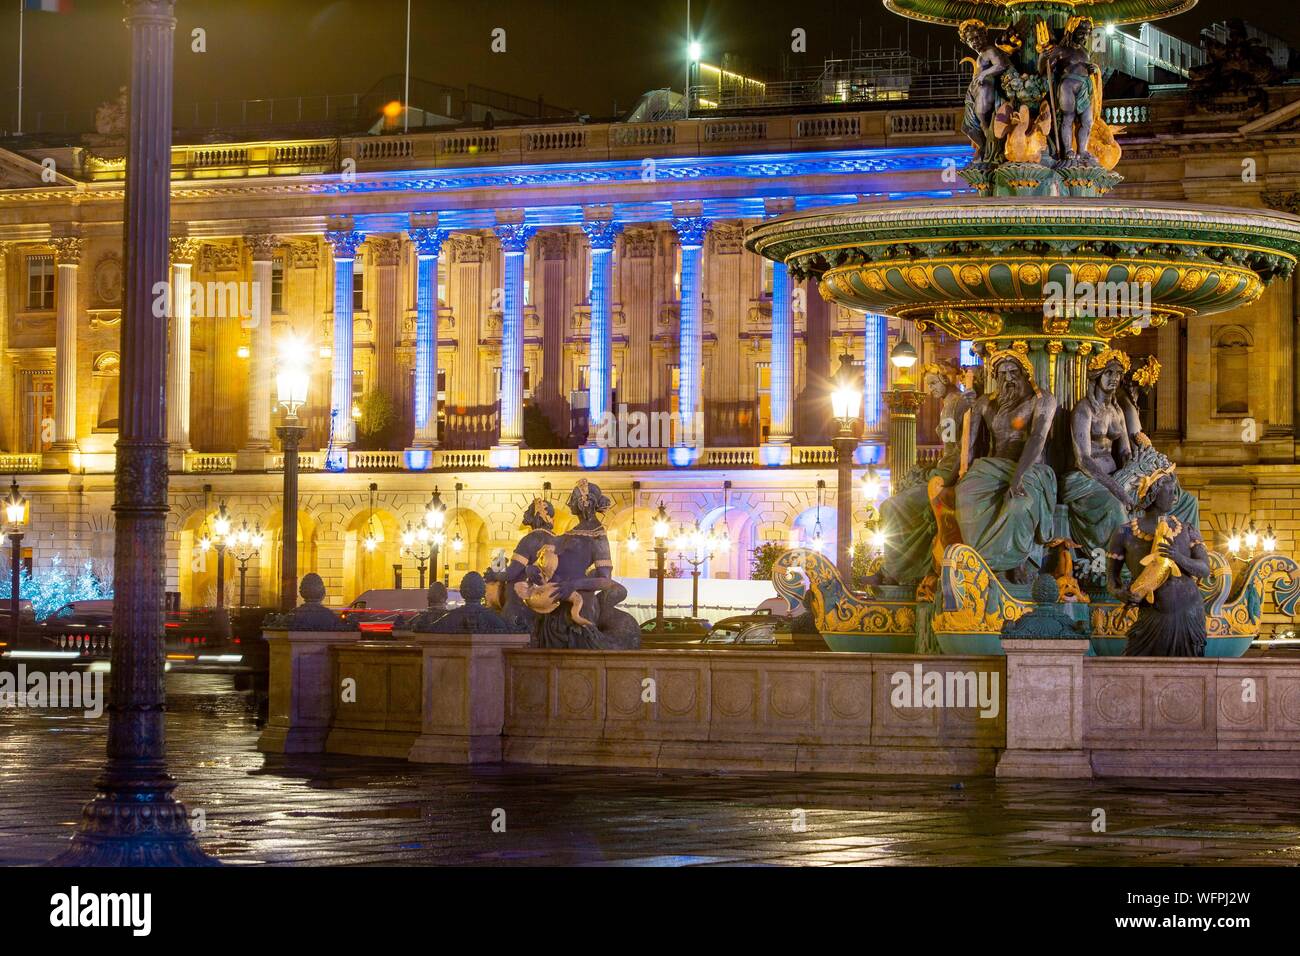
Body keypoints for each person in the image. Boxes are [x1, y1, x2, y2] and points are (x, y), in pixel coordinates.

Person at [955, 347, 1058, 583]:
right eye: (1002, 374)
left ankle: (1017, 560)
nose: (1008, 378)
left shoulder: (1042, 400)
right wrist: (964, 406)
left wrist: (1017, 477)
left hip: (1030, 469)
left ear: (1025, 373)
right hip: (992, 467)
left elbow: (1037, 438)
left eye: (1013, 372)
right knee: (964, 494)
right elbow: (966, 442)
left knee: (1018, 505)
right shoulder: (985, 403)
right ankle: (980, 560)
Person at [515, 480, 640, 649]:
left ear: (584, 503)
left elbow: (605, 580)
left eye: (573, 499)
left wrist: (574, 584)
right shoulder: (570, 532)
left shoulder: (598, 536)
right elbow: (550, 561)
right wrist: (533, 569)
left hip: (579, 605)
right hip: (554, 600)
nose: (570, 503)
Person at [879, 360, 972, 584]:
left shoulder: (954, 404)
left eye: (933, 383)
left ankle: (895, 571)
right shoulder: (952, 403)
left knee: (891, 506)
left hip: (947, 477)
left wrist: (934, 475)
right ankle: (898, 568)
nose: (930, 389)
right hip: (943, 471)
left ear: (945, 379)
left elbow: (955, 451)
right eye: (928, 384)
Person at [1106, 465, 1210, 657]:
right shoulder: (1124, 533)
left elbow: (1204, 569)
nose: (1174, 497)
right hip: (1152, 614)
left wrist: (1177, 557)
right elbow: (1112, 581)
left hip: (1189, 612)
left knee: (1189, 674)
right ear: (1153, 494)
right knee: (1139, 669)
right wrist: (1122, 594)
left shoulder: (1187, 530)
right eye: (1170, 491)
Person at [1063, 349, 1133, 560]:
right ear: (1097, 375)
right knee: (1115, 506)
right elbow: (1083, 459)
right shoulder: (1084, 410)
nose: (1114, 378)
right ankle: (1114, 566)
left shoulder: (1117, 411)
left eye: (1118, 374)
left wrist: (1138, 472)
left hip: (1114, 477)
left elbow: (1124, 450)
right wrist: (1116, 488)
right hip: (1084, 481)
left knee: (1168, 495)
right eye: (1109, 373)